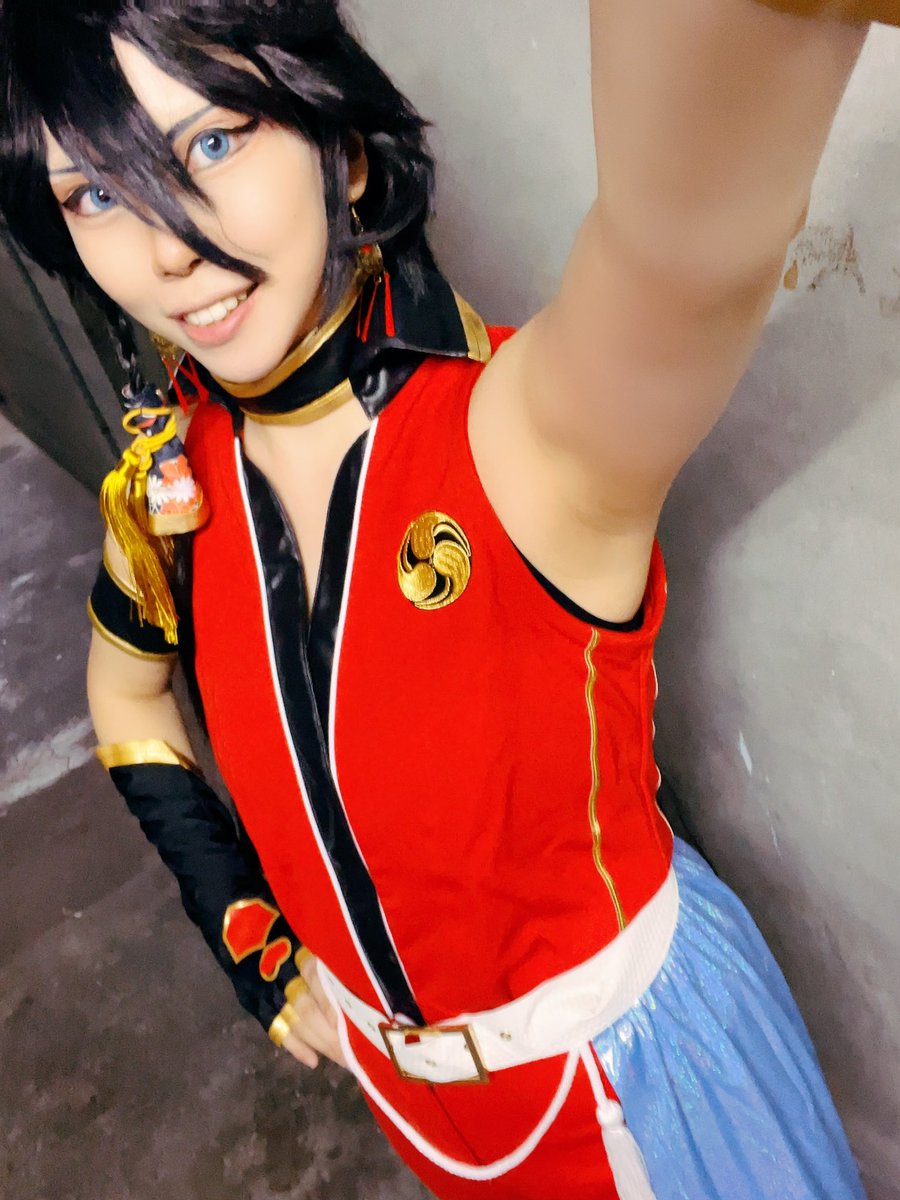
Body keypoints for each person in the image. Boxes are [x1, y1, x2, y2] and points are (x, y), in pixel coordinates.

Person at [0, 1, 888, 1197]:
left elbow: (681, 251)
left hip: (636, 1097)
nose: (166, 248)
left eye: (213, 141)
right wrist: (251, 939)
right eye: (96, 193)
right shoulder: (170, 492)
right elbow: (127, 700)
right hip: (417, 1114)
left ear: (344, 148)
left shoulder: (521, 437)